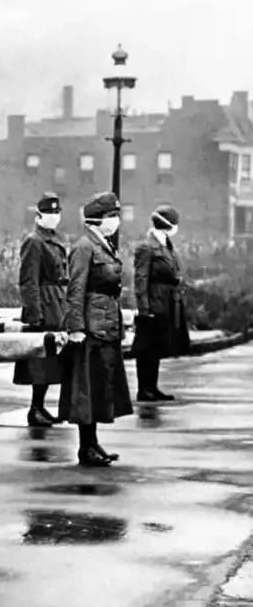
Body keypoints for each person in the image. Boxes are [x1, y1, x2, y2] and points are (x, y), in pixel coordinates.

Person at [59, 192, 133, 467]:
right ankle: (85, 447)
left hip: (105, 325)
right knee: (87, 389)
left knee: (99, 387)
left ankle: (92, 443)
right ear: (97, 219)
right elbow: (75, 289)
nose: (115, 221)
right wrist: (76, 327)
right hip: (90, 327)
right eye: (111, 216)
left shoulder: (102, 244)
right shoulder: (84, 247)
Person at [14, 192, 69, 426]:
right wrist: (34, 313)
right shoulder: (34, 241)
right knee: (40, 362)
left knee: (50, 362)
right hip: (44, 305)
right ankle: (35, 408)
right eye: (48, 212)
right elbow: (29, 280)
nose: (53, 217)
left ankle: (40, 407)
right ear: (38, 216)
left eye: (56, 212)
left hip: (57, 303)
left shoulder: (53, 240)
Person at [132, 205, 190, 401]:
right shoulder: (146, 247)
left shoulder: (166, 244)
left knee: (157, 347)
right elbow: (140, 280)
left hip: (167, 301)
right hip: (153, 300)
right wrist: (144, 309)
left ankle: (152, 386)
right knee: (147, 348)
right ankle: (144, 389)